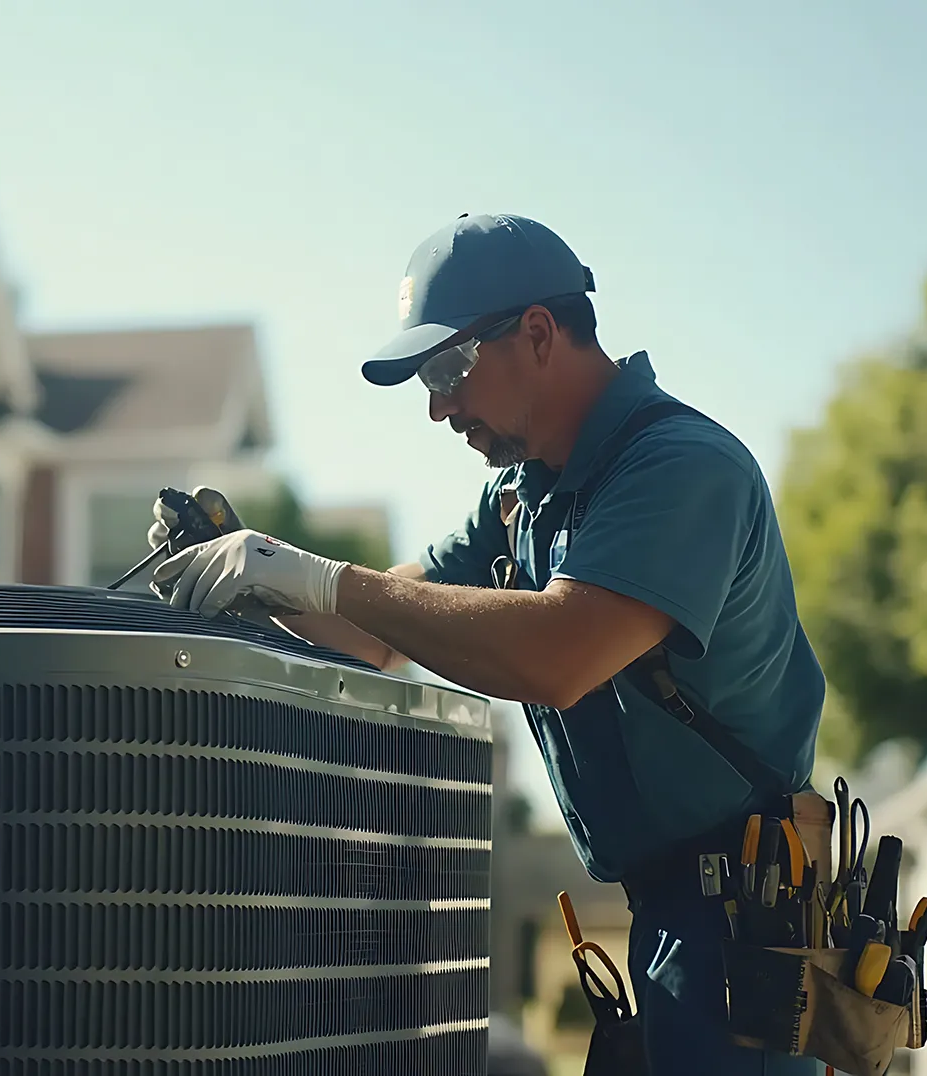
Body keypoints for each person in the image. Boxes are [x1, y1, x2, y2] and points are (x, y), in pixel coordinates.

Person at [147, 212, 827, 1075]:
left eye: (448, 367)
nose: (438, 407)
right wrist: (252, 577)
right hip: (670, 916)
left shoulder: (683, 468)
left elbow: (557, 659)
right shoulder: (518, 498)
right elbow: (378, 630)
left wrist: (314, 576)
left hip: (744, 923)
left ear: (539, 333)